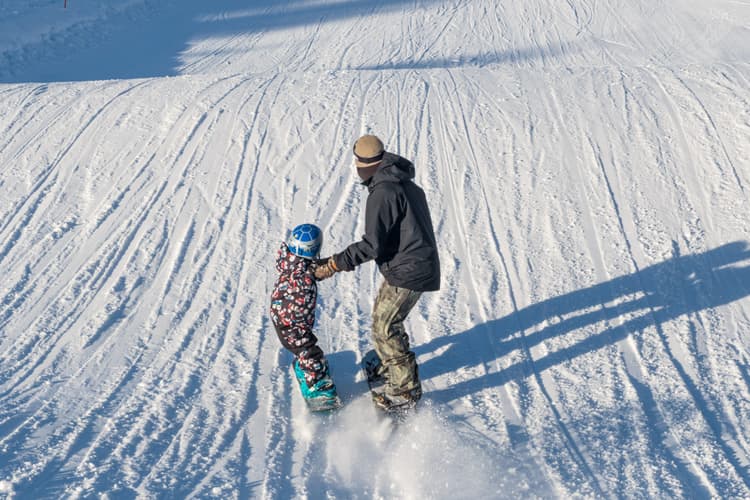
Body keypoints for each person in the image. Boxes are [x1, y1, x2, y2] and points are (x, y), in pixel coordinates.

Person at [314, 135, 440, 410]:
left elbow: (372, 244)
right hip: (408, 263)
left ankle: (404, 392)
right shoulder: (400, 181)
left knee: (386, 327)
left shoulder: (384, 191)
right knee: (382, 321)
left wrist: (333, 264)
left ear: (363, 164)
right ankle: (390, 367)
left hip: (410, 269)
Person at [270, 223, 335, 401]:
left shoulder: (288, 261)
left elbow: (307, 270)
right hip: (292, 324)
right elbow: (311, 273)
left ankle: (310, 367)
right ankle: (319, 387)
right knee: (307, 350)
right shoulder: (304, 276)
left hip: (280, 315)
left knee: (303, 348)